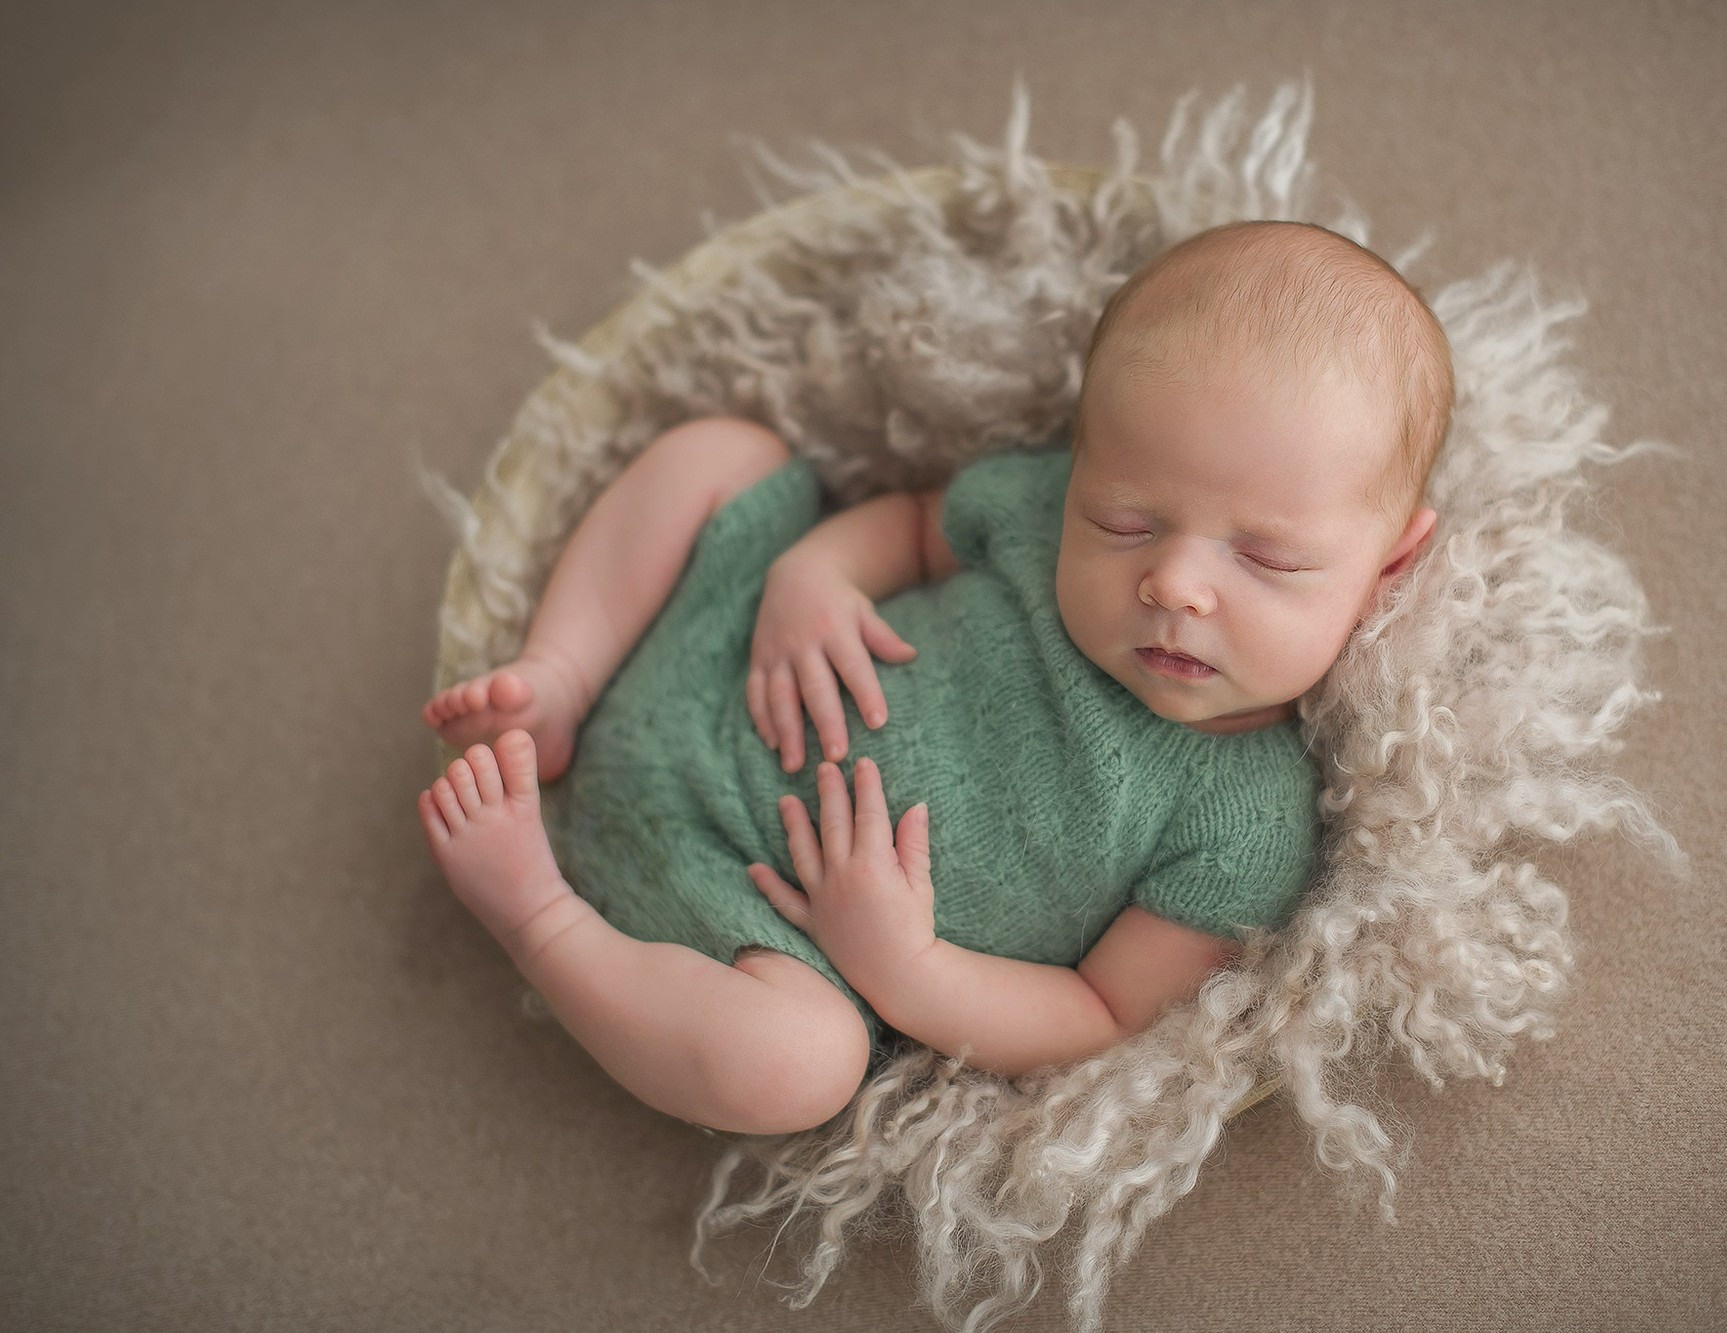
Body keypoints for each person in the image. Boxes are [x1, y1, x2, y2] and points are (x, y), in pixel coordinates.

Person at [416, 220, 1453, 1136]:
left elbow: (1100, 1014)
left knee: (796, 1064)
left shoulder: (1245, 821)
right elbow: (916, 525)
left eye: (1265, 559)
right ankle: (561, 675)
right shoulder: (1043, 511)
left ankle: (539, 914)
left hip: (745, 913)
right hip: (707, 645)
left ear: (1389, 564)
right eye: (1125, 520)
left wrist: (904, 968)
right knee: (723, 453)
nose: (1173, 582)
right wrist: (813, 576)